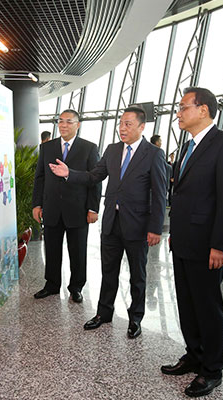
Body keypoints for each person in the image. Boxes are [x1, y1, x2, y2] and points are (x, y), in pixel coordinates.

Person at [49, 107, 167, 339]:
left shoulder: (153, 154)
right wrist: (69, 173)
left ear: (142, 127)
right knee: (108, 271)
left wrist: (155, 227)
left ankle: (135, 318)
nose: (122, 128)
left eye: (128, 124)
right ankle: (104, 313)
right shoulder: (112, 150)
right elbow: (94, 176)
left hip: (137, 225)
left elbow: (160, 193)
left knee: (137, 275)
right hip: (112, 223)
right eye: (121, 124)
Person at [160, 87, 223, 398]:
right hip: (183, 240)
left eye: (183, 107)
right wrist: (174, 235)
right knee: (187, 304)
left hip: (208, 244)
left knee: (208, 307)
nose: (178, 113)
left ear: (203, 110)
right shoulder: (188, 146)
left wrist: (219, 245)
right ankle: (194, 355)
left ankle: (212, 369)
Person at [31, 110, 101, 303]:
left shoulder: (89, 148)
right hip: (51, 208)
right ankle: (52, 284)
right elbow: (40, 178)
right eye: (60, 121)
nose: (63, 125)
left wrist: (93, 209)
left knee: (78, 251)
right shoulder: (47, 148)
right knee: (51, 249)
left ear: (77, 125)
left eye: (69, 122)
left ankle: (76, 287)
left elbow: (95, 181)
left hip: (78, 210)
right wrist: (37, 204)